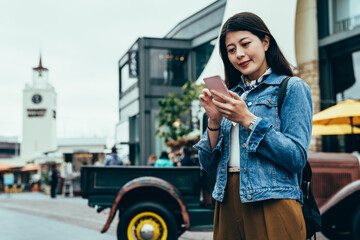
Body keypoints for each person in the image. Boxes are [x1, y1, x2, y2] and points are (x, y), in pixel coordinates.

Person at [194, 12, 312, 240]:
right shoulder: (230, 96)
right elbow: (207, 164)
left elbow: (297, 158)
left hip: (274, 201)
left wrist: (248, 120)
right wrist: (214, 121)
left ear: (265, 42)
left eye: (245, 44)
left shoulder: (292, 87)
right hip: (227, 202)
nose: (239, 54)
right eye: (231, 49)